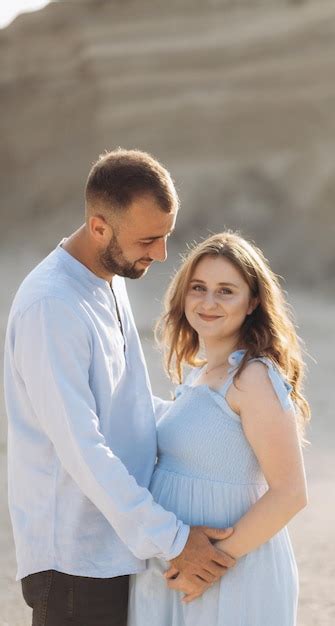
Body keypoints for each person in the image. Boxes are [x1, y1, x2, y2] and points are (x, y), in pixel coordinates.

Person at [3, 149, 235, 626]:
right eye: (148, 239)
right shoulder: (51, 306)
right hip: (73, 563)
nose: (162, 254)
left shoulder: (109, 278)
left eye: (166, 236)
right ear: (99, 227)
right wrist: (173, 538)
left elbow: (125, 406)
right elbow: (82, 447)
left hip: (117, 549)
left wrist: (214, 415)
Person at [128, 231, 310, 626]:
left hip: (231, 573)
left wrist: (211, 564)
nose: (208, 302)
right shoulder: (198, 375)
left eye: (226, 291)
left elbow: (290, 493)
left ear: (253, 302)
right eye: (199, 288)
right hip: (185, 569)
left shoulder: (254, 377)